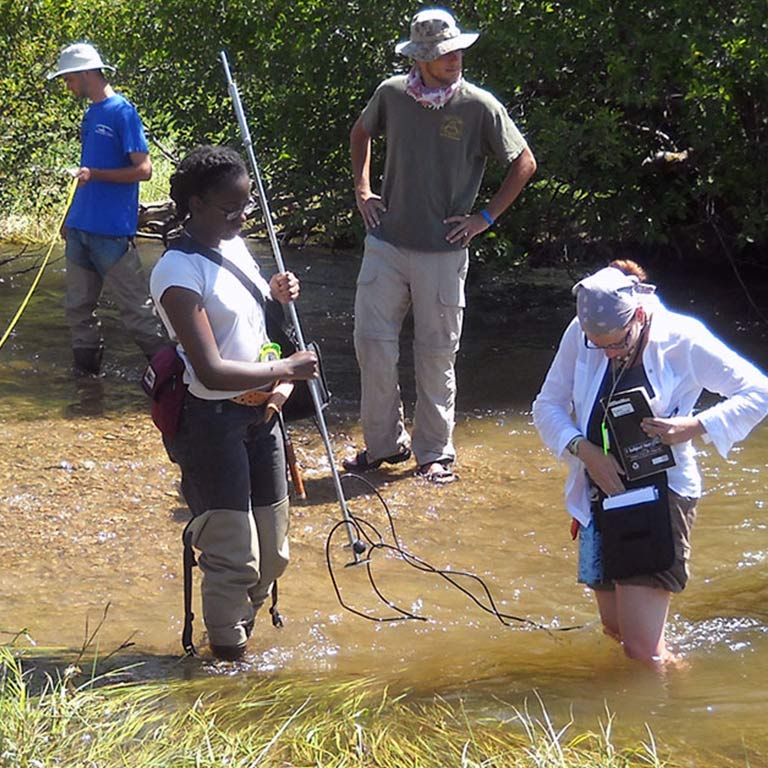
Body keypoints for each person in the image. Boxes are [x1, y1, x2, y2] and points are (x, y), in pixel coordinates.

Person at [532, 260, 768, 664]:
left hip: (660, 498)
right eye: (597, 345)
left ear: (639, 316)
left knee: (642, 650)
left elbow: (758, 391)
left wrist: (694, 425)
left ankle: (671, 713)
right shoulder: (580, 333)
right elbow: (547, 405)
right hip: (600, 494)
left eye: (618, 344)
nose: (607, 353)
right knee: (616, 630)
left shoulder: (683, 338)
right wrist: (584, 450)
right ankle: (662, 686)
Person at [344, 8, 537, 483]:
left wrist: (484, 218)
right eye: (442, 54)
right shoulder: (391, 93)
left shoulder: (479, 105)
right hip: (385, 243)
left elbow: (524, 161)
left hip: (445, 250)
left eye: (456, 51)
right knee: (372, 345)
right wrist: (363, 191)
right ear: (420, 59)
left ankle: (434, 454)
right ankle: (384, 446)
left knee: (435, 352)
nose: (454, 59)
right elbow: (361, 132)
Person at [149, 145, 318, 660]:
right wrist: (288, 369)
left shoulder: (234, 244)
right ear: (196, 204)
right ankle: (228, 661)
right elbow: (211, 369)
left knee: (273, 551)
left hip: (261, 416)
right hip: (209, 421)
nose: (241, 218)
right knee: (231, 554)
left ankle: (238, 631)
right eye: (230, 209)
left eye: (246, 208)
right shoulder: (175, 272)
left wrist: (274, 292)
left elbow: (247, 316)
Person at [47, 42, 165, 375]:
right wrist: (71, 216)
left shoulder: (122, 111)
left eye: (69, 79)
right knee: (77, 310)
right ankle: (87, 385)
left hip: (112, 232)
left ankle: (176, 385)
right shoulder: (90, 114)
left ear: (86, 73)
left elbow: (144, 169)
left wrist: (95, 175)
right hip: (81, 229)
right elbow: (88, 170)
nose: (68, 86)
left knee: (137, 313)